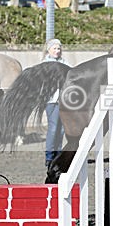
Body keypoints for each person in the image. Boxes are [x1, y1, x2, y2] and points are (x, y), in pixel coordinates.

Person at [42, 38, 70, 169]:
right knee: (53, 128)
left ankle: (58, 153)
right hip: (52, 100)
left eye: (59, 49)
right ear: (49, 50)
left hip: (64, 101)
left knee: (62, 129)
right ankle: (49, 155)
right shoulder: (45, 64)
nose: (57, 51)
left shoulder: (65, 63)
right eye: (54, 48)